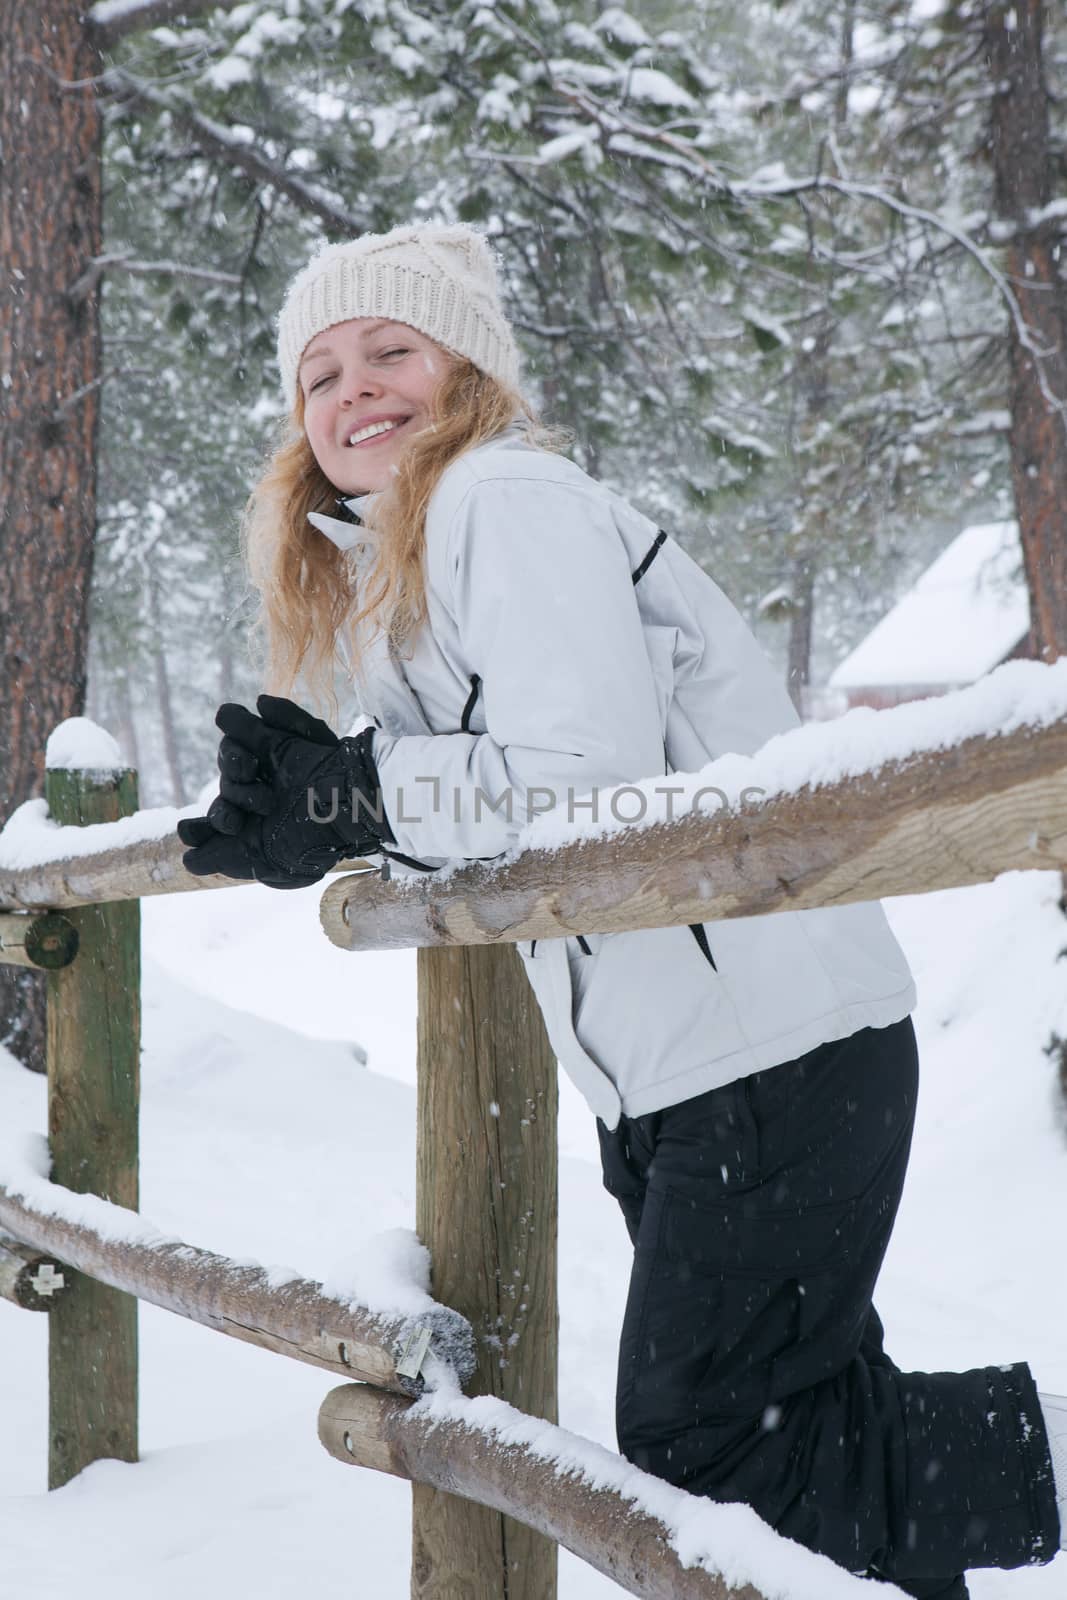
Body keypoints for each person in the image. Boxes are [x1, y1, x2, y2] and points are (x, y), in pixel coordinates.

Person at [177, 221, 1064, 1597]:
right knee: (804, 1428)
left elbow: (577, 779)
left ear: (464, 367)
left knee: (707, 1440)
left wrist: (353, 792)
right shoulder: (401, 569)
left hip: (769, 1046)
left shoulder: (500, 501)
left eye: (389, 350)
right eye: (320, 373)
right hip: (684, 1072)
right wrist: (310, 819)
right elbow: (491, 813)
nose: (353, 389)